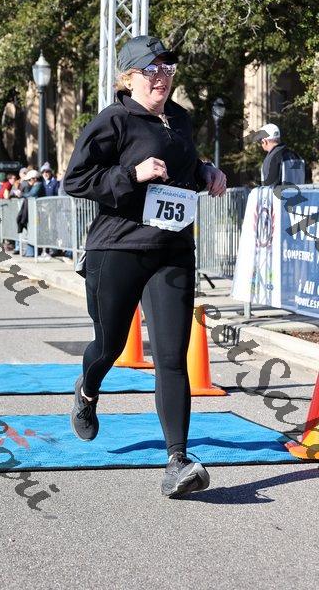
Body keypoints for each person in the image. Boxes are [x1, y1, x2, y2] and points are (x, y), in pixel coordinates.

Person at [63, 35, 226, 499]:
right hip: (118, 249)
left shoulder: (180, 118)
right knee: (109, 346)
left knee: (172, 357)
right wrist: (130, 175)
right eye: (151, 70)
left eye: (167, 69)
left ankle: (177, 460)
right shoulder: (113, 120)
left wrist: (206, 172)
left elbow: (183, 166)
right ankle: (87, 389)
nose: (161, 77)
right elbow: (75, 179)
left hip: (172, 249)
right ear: (129, 77)